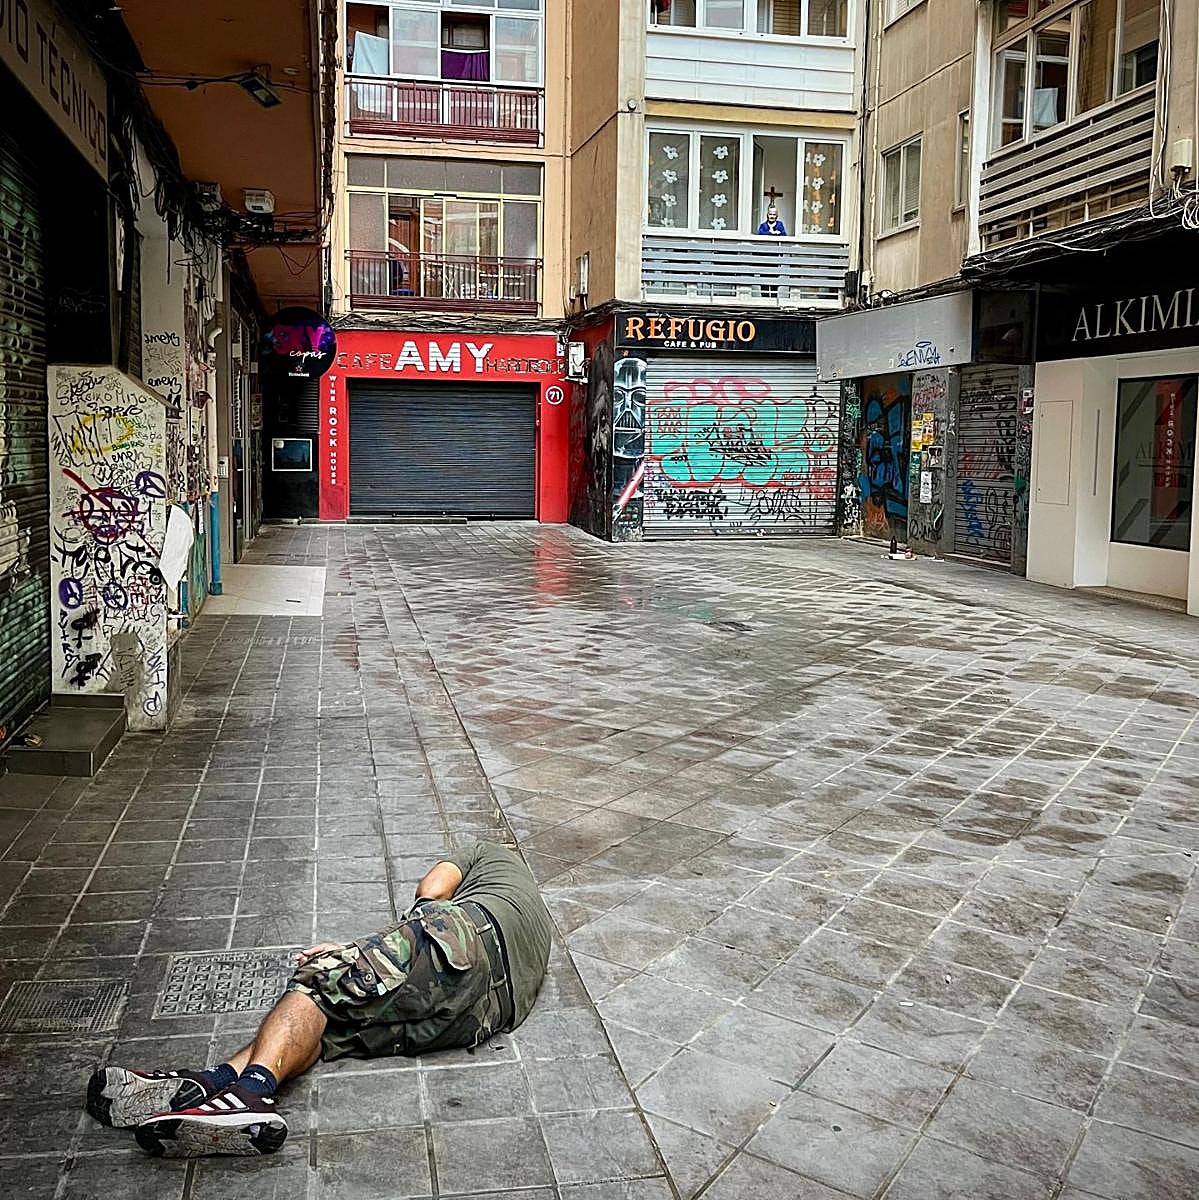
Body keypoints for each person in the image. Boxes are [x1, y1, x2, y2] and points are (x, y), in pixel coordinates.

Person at [85, 841, 552, 1158]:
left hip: (470, 936)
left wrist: (361, 952)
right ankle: (214, 1084)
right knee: (333, 1020)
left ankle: (248, 1094)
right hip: (489, 1013)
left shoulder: (486, 853)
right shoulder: (530, 906)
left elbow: (432, 893)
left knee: (319, 982)